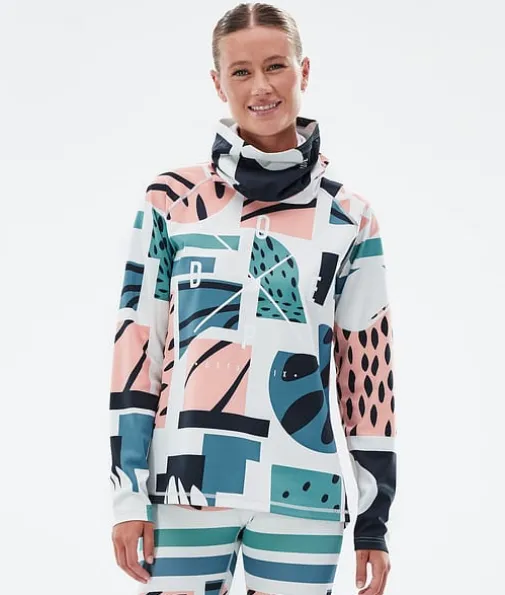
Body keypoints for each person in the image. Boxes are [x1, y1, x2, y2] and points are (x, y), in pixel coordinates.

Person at [108, 3, 397, 594]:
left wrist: (374, 520)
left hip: (304, 496)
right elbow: (137, 348)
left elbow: (367, 375)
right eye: (241, 71)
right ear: (219, 83)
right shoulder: (171, 200)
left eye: (275, 66)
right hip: (184, 488)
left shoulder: (350, 218)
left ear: (303, 71)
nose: (261, 86)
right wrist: (127, 494)